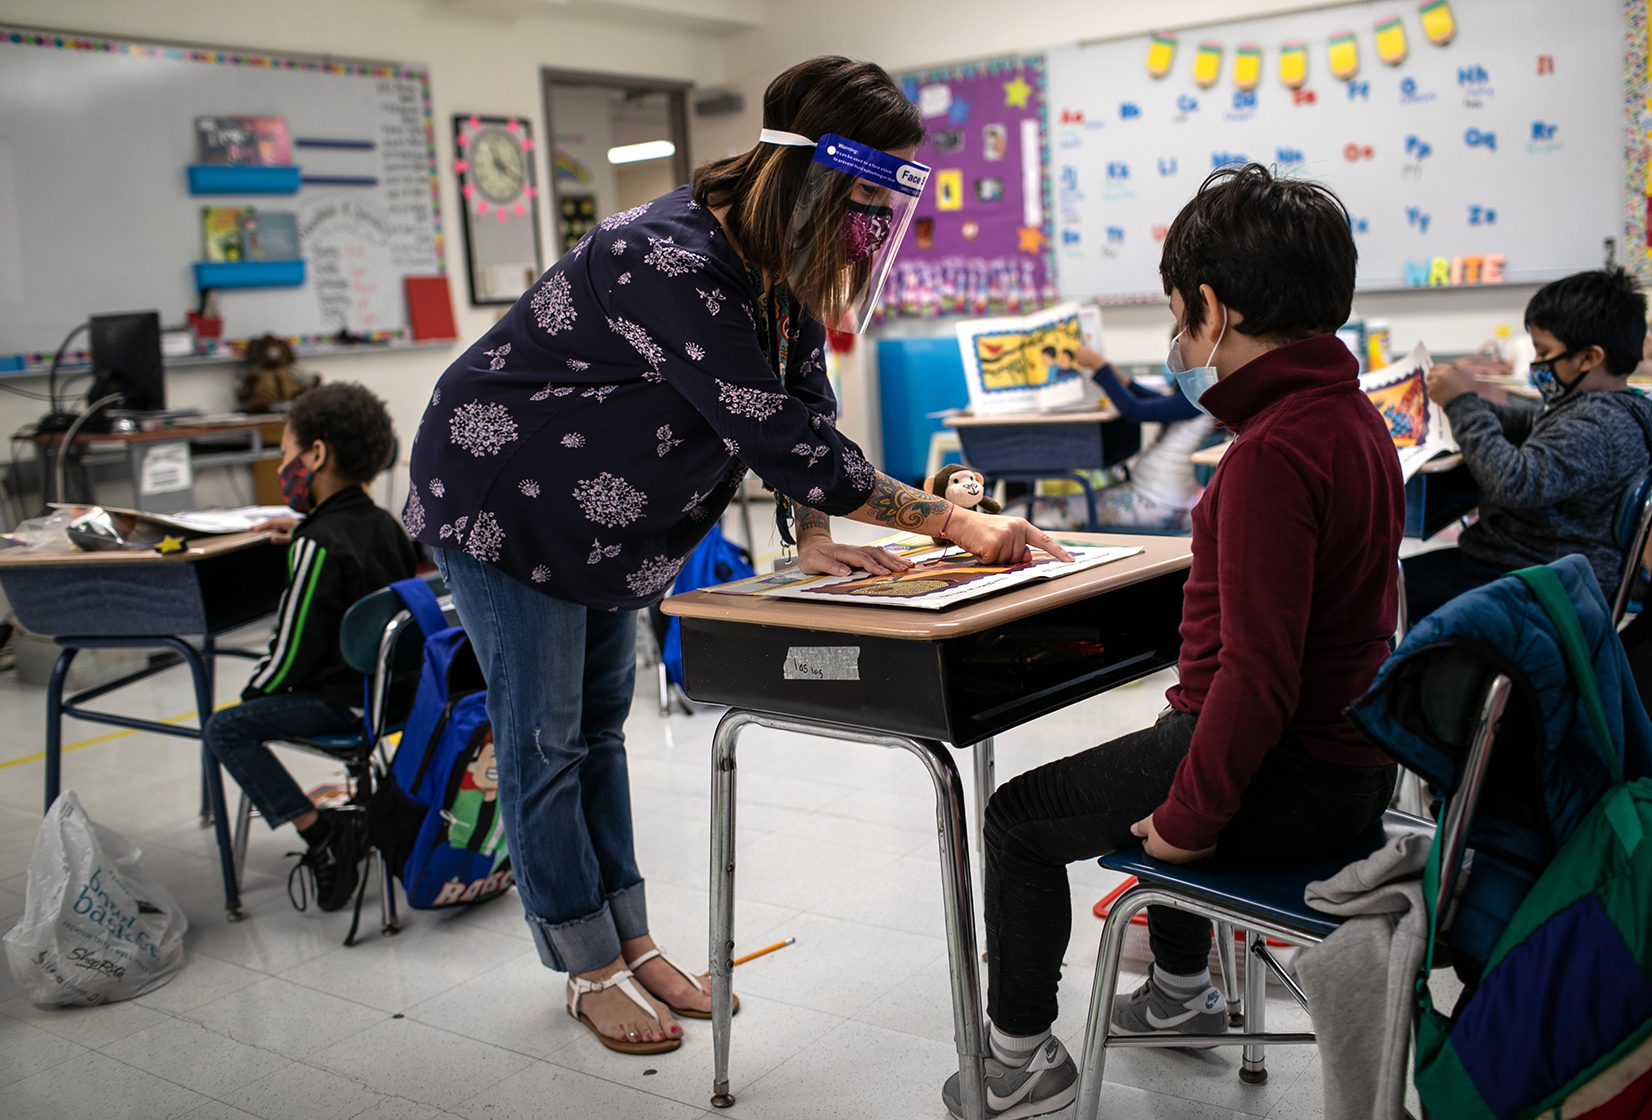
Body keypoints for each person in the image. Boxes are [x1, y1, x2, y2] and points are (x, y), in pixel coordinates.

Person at [405, 56, 1069, 1057]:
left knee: (595, 730)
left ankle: (632, 936)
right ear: (818, 170)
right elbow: (768, 428)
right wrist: (950, 522)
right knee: (540, 741)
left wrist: (815, 532)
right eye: (871, 183)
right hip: (506, 501)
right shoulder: (665, 257)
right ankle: (586, 967)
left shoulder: (774, 250)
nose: (876, 212)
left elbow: (801, 399)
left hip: (599, 515)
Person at [942, 164, 1401, 1119]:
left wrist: (1191, 820)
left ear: (1211, 308)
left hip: (1290, 771)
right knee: (1173, 744)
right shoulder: (1351, 417)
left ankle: (1020, 1060)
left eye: (1181, 321)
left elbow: (1258, 682)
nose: (1182, 344)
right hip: (1351, 767)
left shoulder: (1270, 452)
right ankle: (1181, 994)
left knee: (1019, 820)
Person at [203, 382, 415, 912]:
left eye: (284, 453)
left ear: (316, 454)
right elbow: (352, 549)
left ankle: (320, 831)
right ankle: (343, 824)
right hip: (391, 700)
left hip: (344, 705)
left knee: (225, 727)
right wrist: (306, 528)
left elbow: (289, 654)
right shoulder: (385, 526)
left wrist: (254, 695)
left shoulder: (319, 545)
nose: (283, 467)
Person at [1407, 268, 1652, 622]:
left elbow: (1515, 483)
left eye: (1544, 351)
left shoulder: (1596, 426)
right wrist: (1466, 402)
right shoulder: (1607, 408)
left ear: (1590, 357)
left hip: (1537, 582)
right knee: (1388, 582)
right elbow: (1531, 424)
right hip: (1530, 565)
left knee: (1381, 591)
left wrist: (1463, 404)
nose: (1535, 363)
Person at [1021, 343, 1216, 531]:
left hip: (1156, 504)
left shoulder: (1199, 398)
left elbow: (1134, 410)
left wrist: (1099, 366)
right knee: (1050, 507)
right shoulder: (1201, 395)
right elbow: (1157, 402)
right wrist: (1122, 380)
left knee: (1045, 513)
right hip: (1157, 500)